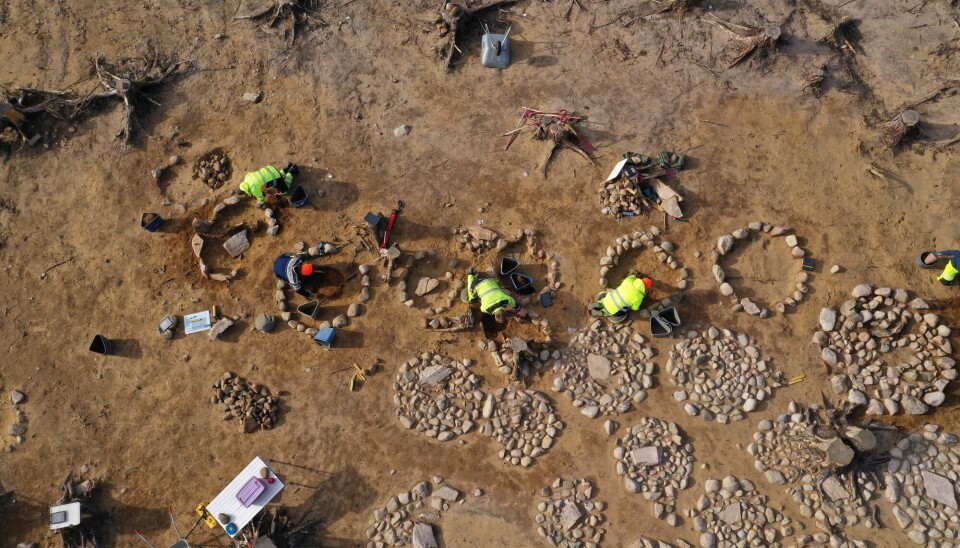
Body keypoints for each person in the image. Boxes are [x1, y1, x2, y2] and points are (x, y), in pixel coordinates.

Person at [461, 269, 527, 321]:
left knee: (505, 293)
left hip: (489, 281)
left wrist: (520, 309)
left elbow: (513, 302)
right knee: (470, 298)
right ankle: (470, 275)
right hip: (480, 283)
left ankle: (471, 275)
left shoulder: (505, 300)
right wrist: (470, 274)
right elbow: (481, 308)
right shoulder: (486, 309)